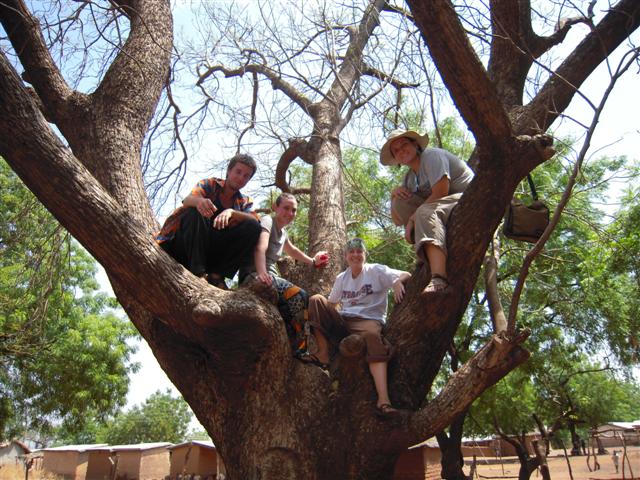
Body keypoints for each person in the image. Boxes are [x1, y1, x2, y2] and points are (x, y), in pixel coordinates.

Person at [305, 238, 411, 417]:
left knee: (372, 336)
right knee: (316, 300)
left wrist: (397, 282)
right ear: (346, 256)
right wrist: (326, 316)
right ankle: (323, 354)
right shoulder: (342, 277)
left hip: (368, 320)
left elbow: (406, 273)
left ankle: (383, 400)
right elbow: (331, 303)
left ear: (364, 255)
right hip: (345, 320)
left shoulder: (375, 271)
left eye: (359, 251)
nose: (355, 255)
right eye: (351, 252)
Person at [380, 129, 474, 293]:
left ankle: (439, 278)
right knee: (401, 202)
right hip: (440, 208)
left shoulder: (431, 156)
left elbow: (441, 191)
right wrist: (393, 196)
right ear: (395, 158)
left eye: (404, 145)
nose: (402, 151)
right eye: (396, 150)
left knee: (423, 212)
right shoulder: (409, 178)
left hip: (466, 198)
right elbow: (396, 220)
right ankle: (427, 248)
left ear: (415, 144)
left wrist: (413, 219)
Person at [155, 154, 262, 289]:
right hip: (186, 247)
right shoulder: (210, 184)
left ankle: (216, 276)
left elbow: (255, 220)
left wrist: (232, 212)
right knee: (194, 211)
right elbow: (187, 200)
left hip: (212, 254)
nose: (241, 177)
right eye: (238, 172)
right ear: (229, 171)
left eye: (246, 176)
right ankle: (197, 273)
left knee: (253, 227)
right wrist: (200, 201)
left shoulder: (244, 202)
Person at [240, 193, 329, 354]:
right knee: (300, 296)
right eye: (286, 208)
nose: (290, 213)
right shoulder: (268, 220)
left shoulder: (283, 233)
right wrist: (261, 274)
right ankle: (302, 346)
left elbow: (293, 251)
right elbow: (260, 247)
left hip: (272, 276)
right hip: (255, 274)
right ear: (275, 207)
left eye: (294, 210)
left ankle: (291, 341)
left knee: (288, 307)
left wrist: (313, 261)